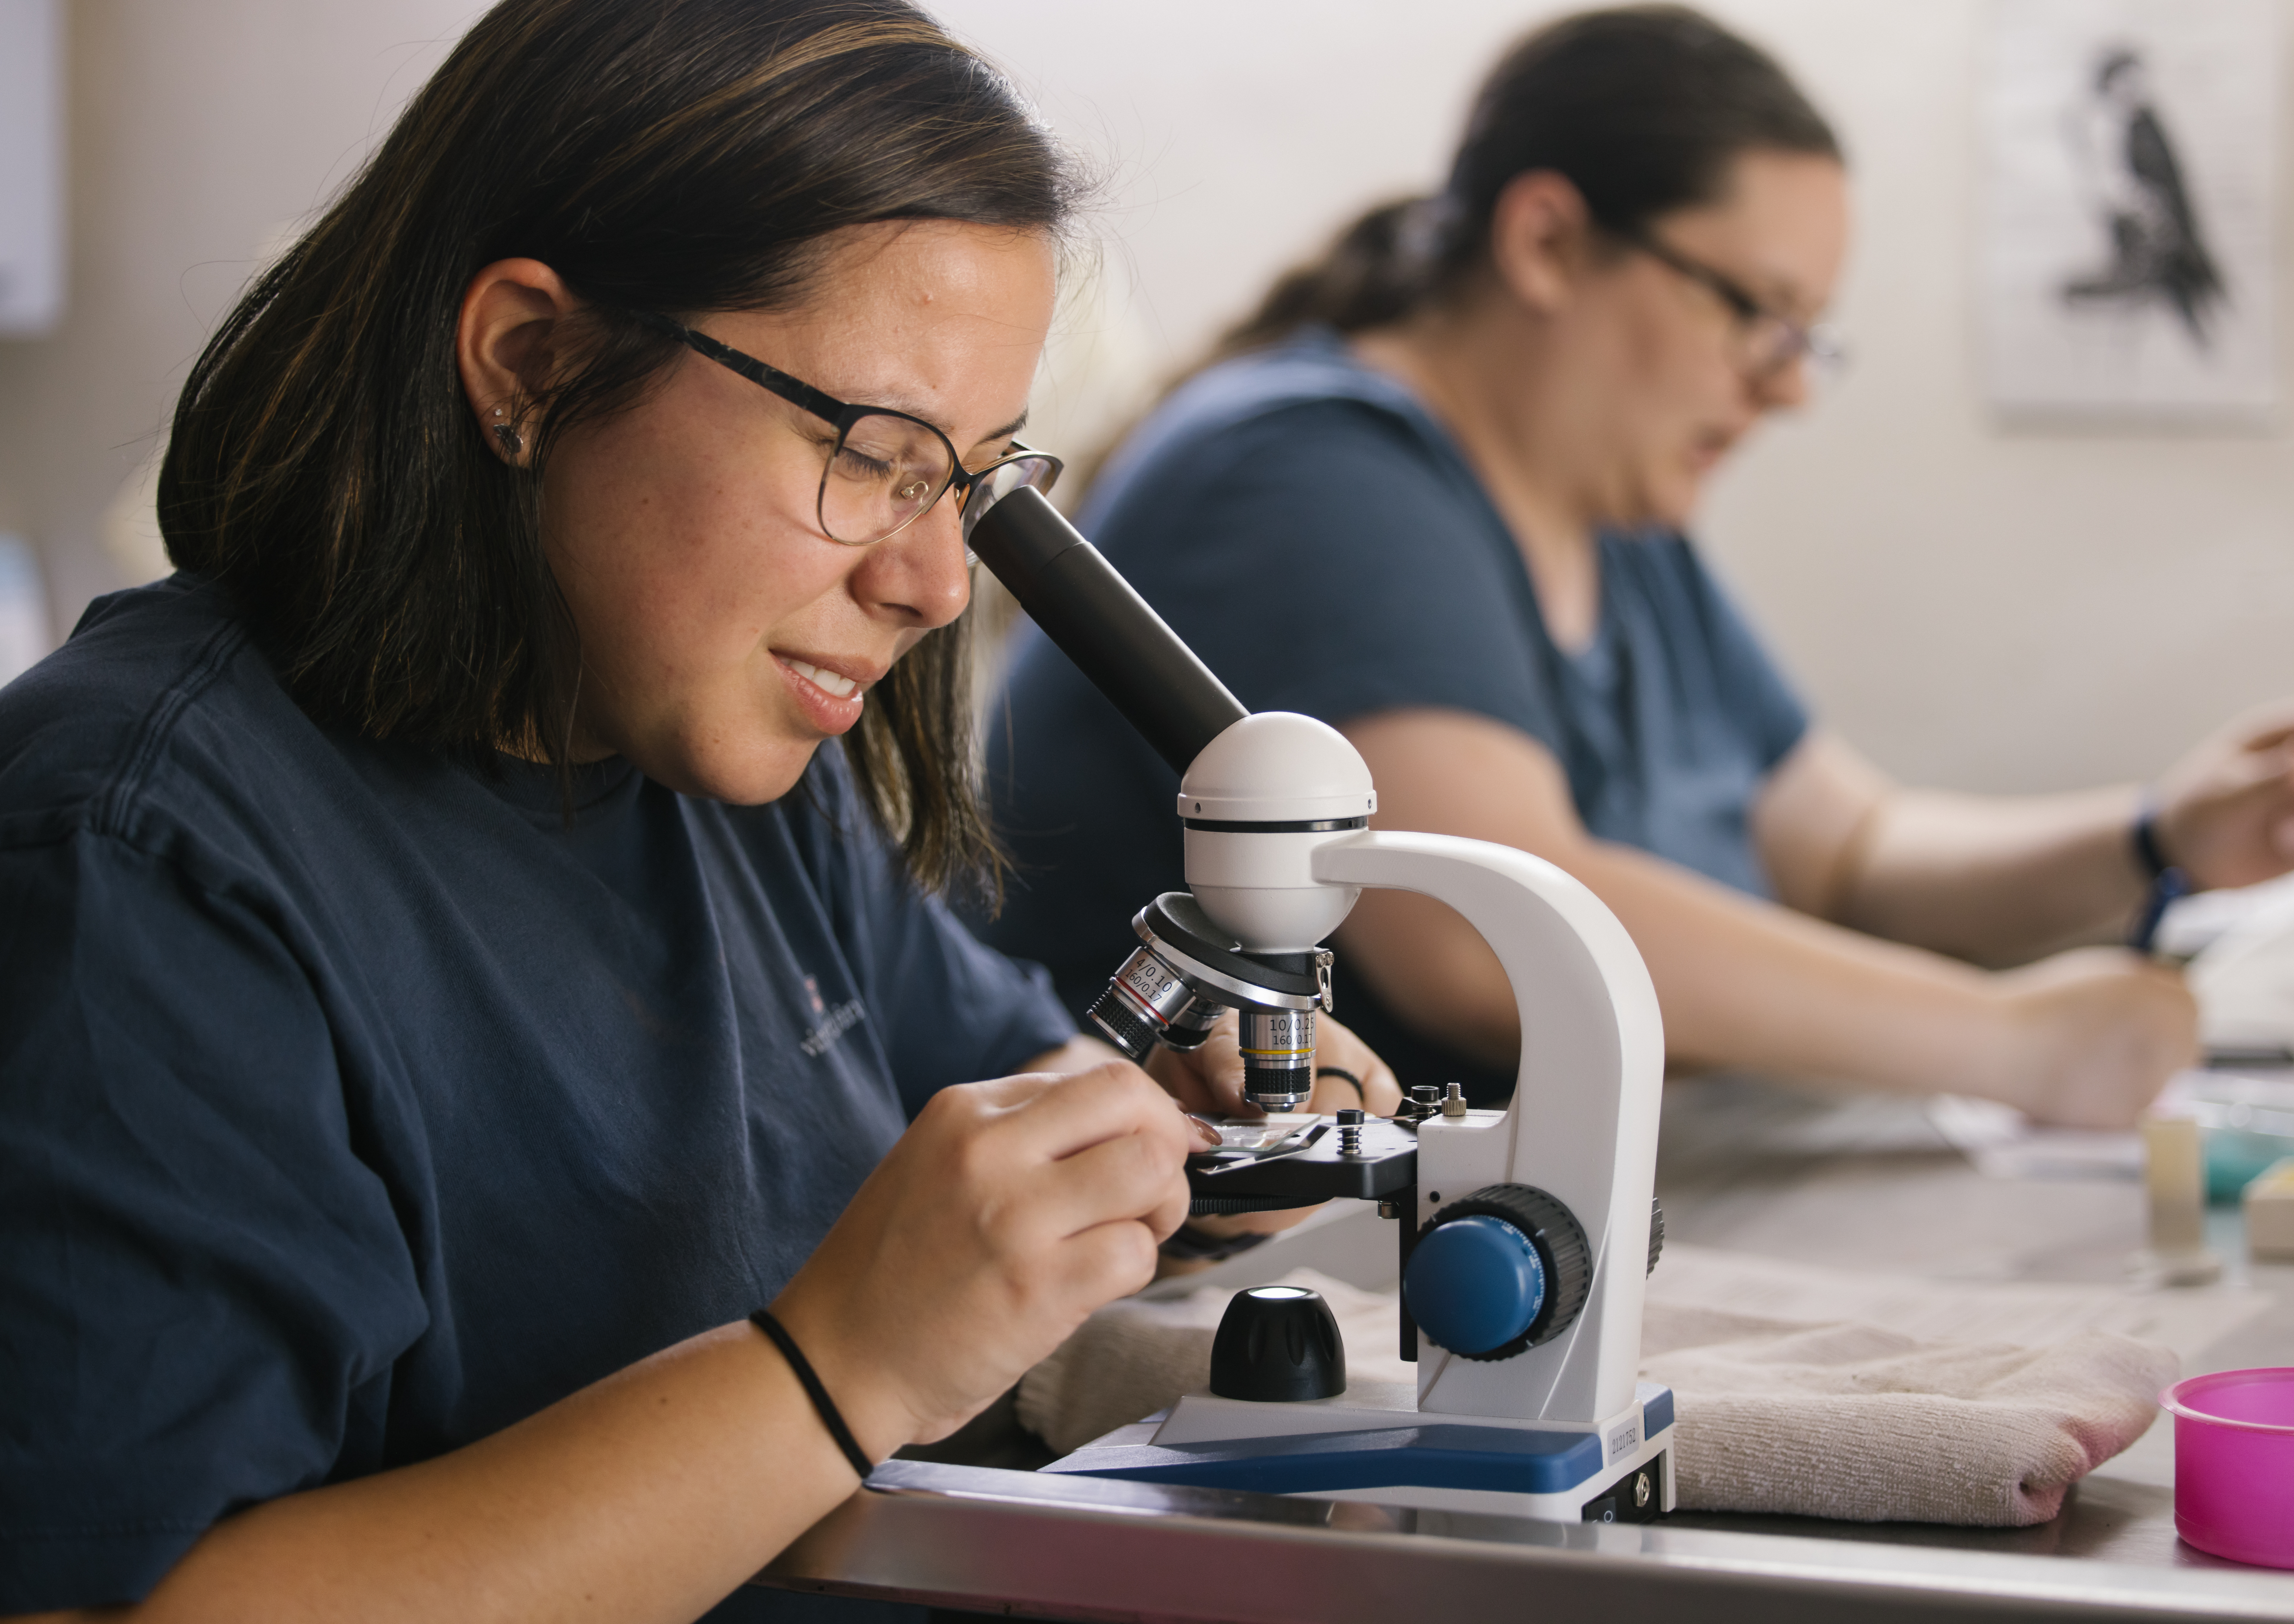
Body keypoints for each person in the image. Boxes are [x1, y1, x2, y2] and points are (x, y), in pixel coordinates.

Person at [0, 4, 1393, 1621]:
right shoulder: (141, 861)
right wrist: (831, 1370)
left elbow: (1006, 1127)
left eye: (976, 481)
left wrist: (1183, 1147)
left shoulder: (714, 755)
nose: (936, 583)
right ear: (533, 361)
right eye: (874, 453)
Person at [980, 4, 2294, 1130]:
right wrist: (2015, 1045)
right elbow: (1485, 940)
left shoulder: (1615, 524)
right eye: (1757, 314)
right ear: (1545, 243)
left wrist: (2150, 837)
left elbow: (1847, 851)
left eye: (1804, 336)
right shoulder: (1307, 477)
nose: (1784, 388)